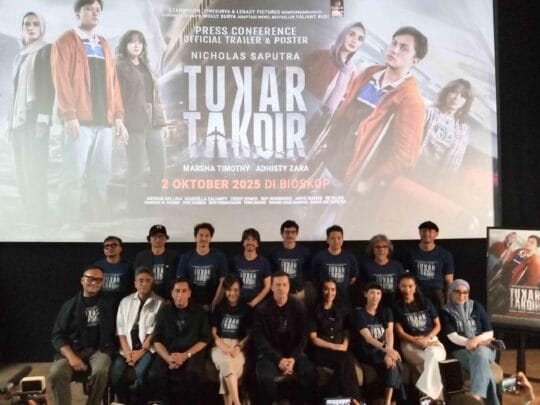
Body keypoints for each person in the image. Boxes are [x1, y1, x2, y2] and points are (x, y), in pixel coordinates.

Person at [52, 0, 127, 225]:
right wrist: (69, 115)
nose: (95, 13)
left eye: (98, 10)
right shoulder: (64, 41)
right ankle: (68, 223)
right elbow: (61, 81)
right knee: (72, 175)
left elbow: (113, 83)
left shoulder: (104, 44)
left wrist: (118, 117)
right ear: (78, 13)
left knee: (101, 175)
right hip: (79, 122)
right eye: (89, 9)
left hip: (104, 123)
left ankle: (97, 222)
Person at [324, 26, 428, 187]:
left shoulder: (411, 100)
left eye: (404, 48)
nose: (394, 50)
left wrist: (371, 182)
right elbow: (343, 114)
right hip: (331, 160)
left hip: (355, 176)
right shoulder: (368, 74)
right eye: (394, 43)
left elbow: (406, 156)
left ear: (415, 61)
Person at [9, 11, 54, 224]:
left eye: (36, 24)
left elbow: (49, 86)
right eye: (27, 23)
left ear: (42, 28)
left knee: (35, 169)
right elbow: (15, 92)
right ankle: (29, 213)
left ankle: (40, 215)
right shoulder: (20, 56)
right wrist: (10, 123)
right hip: (18, 122)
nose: (31, 27)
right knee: (21, 170)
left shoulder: (46, 50)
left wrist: (43, 119)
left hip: (36, 121)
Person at [115, 30, 167, 214]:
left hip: (153, 121)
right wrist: (119, 121)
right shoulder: (119, 66)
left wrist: (163, 121)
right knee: (136, 168)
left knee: (159, 167)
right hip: (134, 121)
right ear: (125, 45)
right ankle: (135, 210)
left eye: (140, 42)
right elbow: (116, 96)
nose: (136, 45)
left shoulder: (147, 66)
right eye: (132, 42)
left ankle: (153, 206)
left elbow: (156, 95)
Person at [49, 265, 115, 405]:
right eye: (90, 278)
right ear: (82, 280)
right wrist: (72, 357)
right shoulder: (69, 305)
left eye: (99, 280)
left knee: (100, 372)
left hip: (99, 350)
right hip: (74, 350)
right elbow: (58, 335)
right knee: (56, 372)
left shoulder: (110, 304)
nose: (94, 282)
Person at [301, 22, 365, 152]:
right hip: (301, 110)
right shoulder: (320, 55)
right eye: (351, 34)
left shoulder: (352, 73)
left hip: (320, 121)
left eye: (360, 39)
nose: (354, 40)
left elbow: (344, 102)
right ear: (343, 35)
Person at [253, 271, 315, 405]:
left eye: (284, 285)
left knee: (309, 372)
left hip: (294, 354)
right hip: (270, 355)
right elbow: (260, 340)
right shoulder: (262, 310)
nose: (281, 288)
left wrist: (293, 358)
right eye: (278, 285)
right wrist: (279, 360)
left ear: (288, 287)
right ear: (271, 287)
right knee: (265, 378)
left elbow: (303, 337)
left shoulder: (299, 307)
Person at [148, 277, 210, 404]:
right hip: (169, 352)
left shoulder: (199, 311)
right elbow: (156, 339)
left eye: (183, 291)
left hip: (191, 353)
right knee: (155, 374)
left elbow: (205, 339)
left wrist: (185, 355)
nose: (180, 294)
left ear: (189, 293)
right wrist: (167, 358)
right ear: (172, 293)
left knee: (193, 374)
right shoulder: (164, 311)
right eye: (177, 291)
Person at [441, 279, 500, 405]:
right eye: (457, 292)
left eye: (465, 292)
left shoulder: (476, 306)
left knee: (480, 353)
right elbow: (452, 336)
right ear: (450, 293)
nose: (461, 295)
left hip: (485, 347)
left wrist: (476, 341)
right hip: (460, 350)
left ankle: (476, 396)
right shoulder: (445, 311)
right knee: (486, 373)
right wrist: (473, 342)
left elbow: (489, 332)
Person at [110, 267, 163, 403]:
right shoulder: (125, 302)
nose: (144, 283)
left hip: (147, 348)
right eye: (140, 280)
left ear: (152, 282)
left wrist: (141, 352)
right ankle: (124, 400)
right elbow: (121, 330)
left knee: (141, 373)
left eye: (147, 280)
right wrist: (128, 353)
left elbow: (154, 332)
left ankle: (140, 401)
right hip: (126, 348)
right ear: (135, 283)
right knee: (115, 374)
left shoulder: (160, 303)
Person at [393, 273, 446, 400]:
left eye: (410, 286)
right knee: (430, 362)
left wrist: (427, 339)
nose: (407, 289)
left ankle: (426, 395)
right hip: (410, 344)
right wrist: (416, 341)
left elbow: (438, 326)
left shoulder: (425, 302)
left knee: (432, 355)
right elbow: (400, 333)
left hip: (431, 340)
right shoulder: (396, 306)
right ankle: (439, 400)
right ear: (399, 287)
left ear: (415, 287)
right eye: (404, 286)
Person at [308, 277, 361, 403]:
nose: (330, 293)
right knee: (346, 358)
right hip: (321, 351)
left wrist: (345, 344)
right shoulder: (313, 310)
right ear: (321, 291)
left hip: (340, 349)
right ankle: (356, 400)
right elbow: (314, 338)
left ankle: (334, 400)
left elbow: (346, 330)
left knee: (344, 362)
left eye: (333, 289)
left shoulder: (341, 309)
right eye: (326, 289)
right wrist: (336, 347)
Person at [415, 79, 474, 183]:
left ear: (466, 102)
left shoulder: (462, 130)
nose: (456, 98)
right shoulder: (428, 113)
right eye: (454, 92)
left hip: (435, 179)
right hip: (414, 167)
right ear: (446, 93)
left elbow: (456, 161)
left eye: (462, 96)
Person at [353, 282, 401, 405]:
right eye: (372, 293)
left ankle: (387, 401)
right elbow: (368, 338)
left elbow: (389, 332)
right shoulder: (359, 313)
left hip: (383, 350)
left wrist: (389, 353)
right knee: (394, 363)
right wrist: (388, 350)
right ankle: (391, 401)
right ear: (365, 294)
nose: (375, 296)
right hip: (368, 350)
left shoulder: (386, 311)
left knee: (394, 362)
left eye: (378, 293)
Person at [210, 274, 252, 405]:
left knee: (226, 371)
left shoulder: (247, 309)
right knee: (227, 363)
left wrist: (239, 347)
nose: (232, 293)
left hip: (239, 346)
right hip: (220, 345)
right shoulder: (219, 307)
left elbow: (249, 334)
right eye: (229, 289)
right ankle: (238, 402)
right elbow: (214, 334)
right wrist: (224, 347)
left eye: (235, 290)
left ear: (240, 290)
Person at [177, 222, 228, 311]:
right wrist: (190, 304)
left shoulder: (219, 256)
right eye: (201, 235)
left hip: (214, 304)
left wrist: (214, 304)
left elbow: (223, 282)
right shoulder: (185, 257)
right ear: (195, 237)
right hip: (191, 305)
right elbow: (180, 283)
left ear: (211, 238)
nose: (203, 238)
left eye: (207, 236)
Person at [407, 220, 454, 309]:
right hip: (417, 292)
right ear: (419, 233)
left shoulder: (445, 254)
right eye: (423, 231)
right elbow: (405, 277)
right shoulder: (410, 253)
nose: (426, 234)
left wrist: (449, 300)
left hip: (437, 294)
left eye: (430, 231)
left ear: (436, 234)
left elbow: (449, 280)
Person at [311, 225, 358, 305]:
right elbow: (314, 277)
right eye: (332, 238)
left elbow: (353, 279)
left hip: (344, 298)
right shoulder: (319, 257)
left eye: (339, 238)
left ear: (343, 239)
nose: (336, 241)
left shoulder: (350, 257)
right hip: (324, 299)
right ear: (327, 240)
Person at [269, 220, 311, 303]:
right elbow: (271, 273)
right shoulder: (274, 252)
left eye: (293, 232)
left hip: (298, 293)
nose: (290, 235)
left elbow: (308, 271)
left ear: (297, 234)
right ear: (282, 234)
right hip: (279, 293)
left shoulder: (304, 252)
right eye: (287, 232)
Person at [134, 224, 179, 299]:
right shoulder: (141, 257)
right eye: (154, 236)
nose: (158, 239)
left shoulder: (175, 256)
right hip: (147, 297)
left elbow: (177, 280)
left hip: (169, 298)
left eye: (161, 236)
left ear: (166, 238)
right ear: (149, 239)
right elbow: (137, 278)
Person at [231, 228, 271, 307]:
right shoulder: (234, 261)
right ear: (243, 243)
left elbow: (267, 287)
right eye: (247, 239)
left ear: (257, 244)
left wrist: (253, 303)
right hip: (238, 303)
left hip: (258, 304)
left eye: (253, 240)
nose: (250, 242)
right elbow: (230, 284)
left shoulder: (264, 262)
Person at [361, 234, 404, 306]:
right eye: (377, 247)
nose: (381, 249)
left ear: (389, 249)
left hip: (394, 305)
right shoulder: (366, 266)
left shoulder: (397, 266)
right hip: (374, 305)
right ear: (372, 250)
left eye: (384, 246)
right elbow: (362, 289)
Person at [93, 235, 133, 307]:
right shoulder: (97, 266)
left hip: (122, 304)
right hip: (101, 304)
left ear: (120, 248)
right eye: (107, 246)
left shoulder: (129, 266)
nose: (110, 248)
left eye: (114, 245)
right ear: (104, 250)